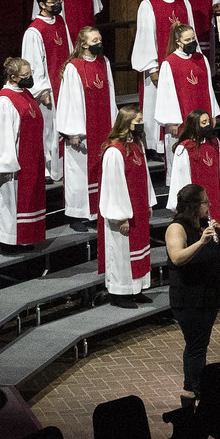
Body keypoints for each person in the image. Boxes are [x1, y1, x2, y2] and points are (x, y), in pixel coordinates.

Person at [165, 182, 220, 403]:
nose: (209, 205)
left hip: (209, 295)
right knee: (197, 345)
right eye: (204, 202)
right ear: (193, 206)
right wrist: (202, 242)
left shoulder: (206, 223)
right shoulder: (176, 228)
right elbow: (177, 257)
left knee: (198, 344)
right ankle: (199, 391)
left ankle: (190, 385)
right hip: (189, 298)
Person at [54, 26, 116, 223]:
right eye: (94, 40)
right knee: (79, 174)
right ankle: (77, 215)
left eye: (100, 39)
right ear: (83, 44)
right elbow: (69, 101)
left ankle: (98, 212)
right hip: (81, 132)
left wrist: (115, 125)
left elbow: (111, 93)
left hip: (103, 126)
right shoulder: (74, 67)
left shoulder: (104, 62)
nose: (99, 43)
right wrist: (73, 132)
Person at [132, 0, 196, 152]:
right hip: (158, 65)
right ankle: (155, 146)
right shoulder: (148, 5)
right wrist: (152, 68)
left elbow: (191, 30)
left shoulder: (184, 1)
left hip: (182, 64)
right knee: (156, 105)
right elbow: (145, 37)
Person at [0, 57, 49, 248]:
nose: (30, 78)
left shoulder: (26, 94)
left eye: (30, 73)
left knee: (29, 199)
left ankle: (25, 238)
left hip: (31, 158)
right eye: (25, 75)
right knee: (9, 201)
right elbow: (2, 135)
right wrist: (6, 165)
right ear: (13, 77)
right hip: (14, 161)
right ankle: (6, 240)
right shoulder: (5, 100)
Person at [97, 106, 154, 303]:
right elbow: (114, 185)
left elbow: (144, 176)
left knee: (139, 250)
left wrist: (148, 202)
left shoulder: (137, 145)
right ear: (127, 123)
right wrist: (121, 217)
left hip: (138, 209)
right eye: (138, 121)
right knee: (121, 252)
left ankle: (136, 289)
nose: (141, 124)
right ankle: (120, 293)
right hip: (123, 214)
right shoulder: (115, 151)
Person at [24, 0, 70, 169]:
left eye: (60, 0)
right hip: (48, 88)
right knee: (48, 129)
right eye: (54, 1)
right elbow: (33, 63)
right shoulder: (34, 31)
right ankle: (47, 169)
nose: (58, 4)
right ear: (42, 4)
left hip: (63, 83)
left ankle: (61, 166)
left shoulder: (60, 21)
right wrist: (42, 91)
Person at [164, 103, 220, 225]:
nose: (208, 125)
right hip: (194, 203)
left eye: (208, 122)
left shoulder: (215, 143)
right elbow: (180, 178)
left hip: (214, 197)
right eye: (204, 122)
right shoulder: (184, 148)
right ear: (195, 125)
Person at [152, 21, 220, 142]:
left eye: (193, 38)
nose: (192, 42)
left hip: (202, 109)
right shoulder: (170, 63)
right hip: (181, 116)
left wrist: (212, 114)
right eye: (187, 40)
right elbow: (166, 94)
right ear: (178, 42)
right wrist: (172, 121)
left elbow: (209, 88)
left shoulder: (201, 59)